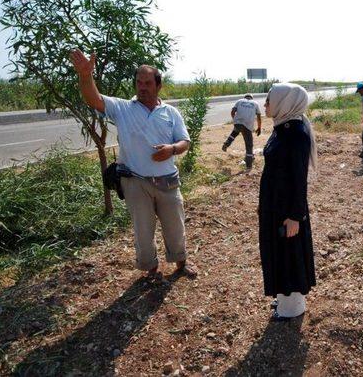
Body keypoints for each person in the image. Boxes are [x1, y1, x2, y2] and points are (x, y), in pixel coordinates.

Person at [70, 49, 197, 278]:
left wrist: (172, 149)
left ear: (159, 86)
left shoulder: (170, 112)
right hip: (136, 181)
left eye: (148, 83)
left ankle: (181, 263)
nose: (142, 87)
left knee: (175, 227)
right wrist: (85, 75)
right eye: (139, 82)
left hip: (168, 181)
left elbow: (185, 141)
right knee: (143, 230)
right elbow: (94, 99)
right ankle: (151, 268)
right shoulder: (123, 108)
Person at [258, 83, 317, 321]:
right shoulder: (282, 127)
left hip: (287, 210)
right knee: (278, 251)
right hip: (275, 205)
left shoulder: (295, 134)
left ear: (284, 101)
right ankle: (283, 297)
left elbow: (298, 179)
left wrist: (295, 215)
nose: (265, 104)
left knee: (290, 254)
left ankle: (292, 308)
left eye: (269, 99)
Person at [222, 94, 262, 169]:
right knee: (249, 145)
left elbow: (233, 111)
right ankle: (249, 165)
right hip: (247, 125)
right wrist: (259, 127)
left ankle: (226, 144)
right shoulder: (255, 103)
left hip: (238, 123)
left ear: (245, 98)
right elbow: (259, 117)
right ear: (251, 98)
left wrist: (235, 120)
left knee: (235, 132)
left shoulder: (239, 101)